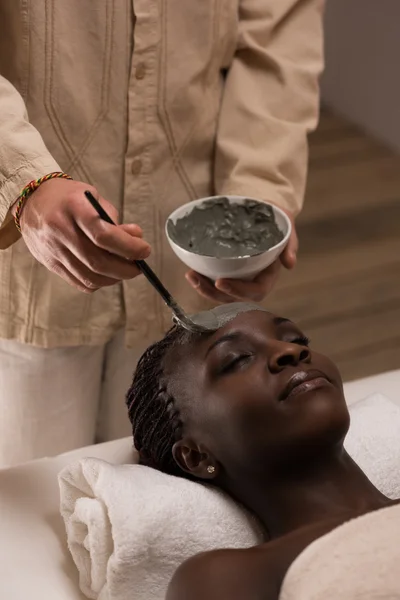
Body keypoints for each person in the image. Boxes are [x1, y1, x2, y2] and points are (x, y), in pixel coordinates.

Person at [0, 1, 323, 466]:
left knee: (162, 492)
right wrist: (20, 181)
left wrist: (259, 188)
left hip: (189, 260)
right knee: (34, 500)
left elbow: (280, 29)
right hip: (24, 272)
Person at [126, 303, 399, 600]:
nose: (291, 352)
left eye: (296, 340)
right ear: (197, 456)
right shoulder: (231, 575)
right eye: (237, 360)